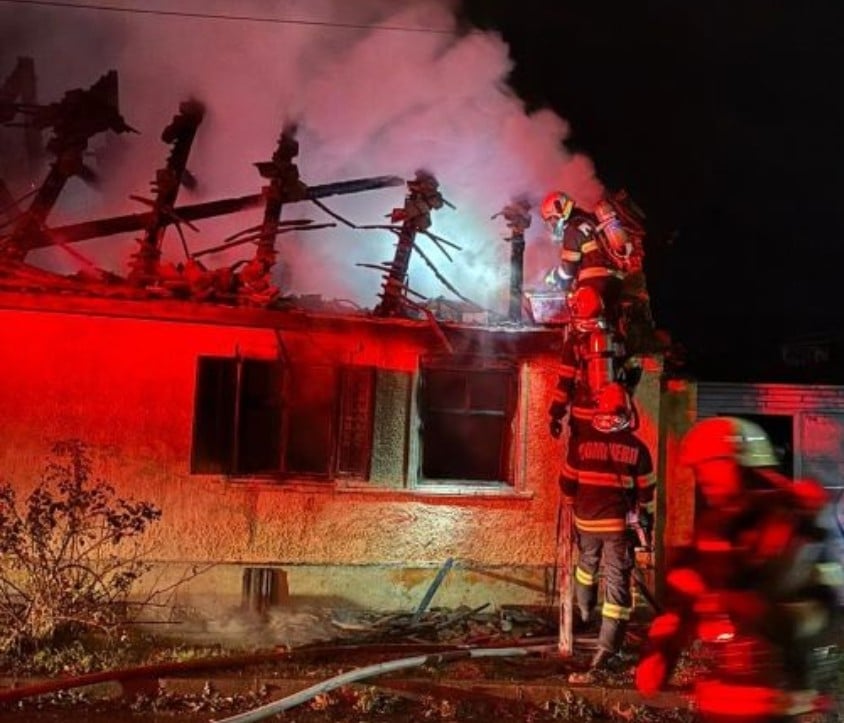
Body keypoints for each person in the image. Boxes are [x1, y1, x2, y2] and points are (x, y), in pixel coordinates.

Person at [635, 416, 843, 722]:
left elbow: (820, 610)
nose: (704, 479)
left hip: (779, 693)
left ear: (743, 465)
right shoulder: (715, 526)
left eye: (712, 466)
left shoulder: (792, 522)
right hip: (727, 696)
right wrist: (661, 652)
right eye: (700, 471)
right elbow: (684, 590)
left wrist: (754, 610)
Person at [559, 382, 656, 682]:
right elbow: (646, 493)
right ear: (627, 411)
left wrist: (574, 509)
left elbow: (566, 484)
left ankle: (585, 611)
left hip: (585, 522)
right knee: (616, 584)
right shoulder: (637, 448)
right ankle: (607, 648)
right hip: (616, 526)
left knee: (586, 566)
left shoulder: (580, 444)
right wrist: (644, 522)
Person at [540, 191, 628, 330]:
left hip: (594, 283)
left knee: (585, 327)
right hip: (616, 280)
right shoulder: (589, 219)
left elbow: (568, 271)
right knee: (611, 323)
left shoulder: (571, 229)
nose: (553, 224)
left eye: (552, 219)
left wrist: (552, 276)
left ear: (560, 211)